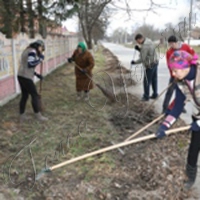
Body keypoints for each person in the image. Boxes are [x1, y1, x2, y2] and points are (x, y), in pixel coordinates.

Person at [155, 50, 200, 189]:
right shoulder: (181, 81)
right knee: (194, 148)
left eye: (175, 70)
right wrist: (164, 126)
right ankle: (190, 178)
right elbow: (177, 107)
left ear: (186, 67)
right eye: (172, 70)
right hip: (197, 116)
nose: (173, 74)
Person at [162, 35, 198, 113]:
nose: (171, 46)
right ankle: (165, 108)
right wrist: (173, 75)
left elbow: (194, 56)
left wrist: (191, 68)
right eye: (170, 44)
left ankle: (180, 106)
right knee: (170, 91)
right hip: (175, 76)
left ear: (176, 42)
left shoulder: (186, 47)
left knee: (183, 93)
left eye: (172, 44)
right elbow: (169, 65)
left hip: (185, 74)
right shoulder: (169, 52)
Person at [17, 39, 48, 122]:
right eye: (41, 48)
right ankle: (38, 115)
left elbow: (26, 65)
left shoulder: (26, 50)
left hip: (20, 75)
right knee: (34, 95)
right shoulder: (32, 51)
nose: (41, 51)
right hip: (26, 77)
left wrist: (37, 74)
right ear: (38, 46)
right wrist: (40, 59)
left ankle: (22, 116)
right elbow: (30, 64)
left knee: (24, 95)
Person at [131, 33, 159, 101]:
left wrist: (134, 62)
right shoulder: (149, 41)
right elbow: (147, 52)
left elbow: (142, 58)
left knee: (146, 81)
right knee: (154, 79)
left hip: (150, 65)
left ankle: (146, 96)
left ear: (140, 39)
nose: (138, 43)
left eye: (138, 41)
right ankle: (155, 94)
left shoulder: (145, 46)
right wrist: (139, 49)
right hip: (155, 62)